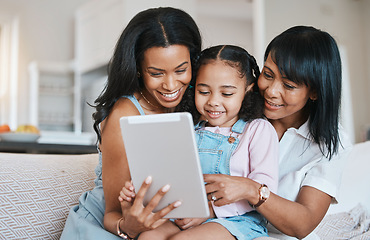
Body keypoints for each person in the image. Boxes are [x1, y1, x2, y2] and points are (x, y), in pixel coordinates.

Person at [60, 7, 202, 240]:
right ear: (138, 69)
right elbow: (112, 214)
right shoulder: (124, 116)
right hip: (104, 229)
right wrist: (129, 227)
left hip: (162, 229)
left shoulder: (199, 100)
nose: (170, 84)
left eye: (181, 70)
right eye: (156, 73)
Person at [201, 26, 353, 240]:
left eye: (289, 85)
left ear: (315, 92)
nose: (271, 91)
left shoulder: (330, 142)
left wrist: (252, 190)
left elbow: (303, 223)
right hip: (210, 224)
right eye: (268, 74)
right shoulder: (232, 110)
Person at [119, 45, 279, 240]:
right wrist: (140, 188)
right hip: (185, 216)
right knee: (148, 237)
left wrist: (210, 211)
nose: (213, 101)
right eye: (204, 92)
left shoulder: (257, 130)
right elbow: (171, 176)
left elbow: (264, 190)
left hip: (236, 220)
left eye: (226, 94)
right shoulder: (189, 127)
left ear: (247, 90)